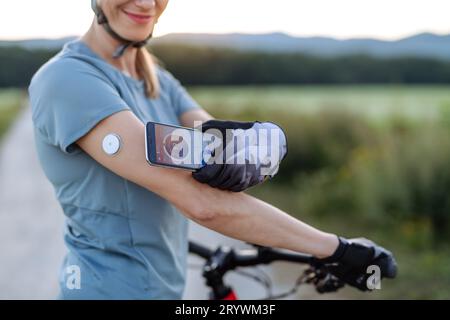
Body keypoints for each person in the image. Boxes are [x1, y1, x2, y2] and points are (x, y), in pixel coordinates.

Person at [29, 0, 396, 299]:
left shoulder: (155, 78)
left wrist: (244, 152)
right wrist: (335, 248)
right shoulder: (68, 80)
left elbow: (215, 143)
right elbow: (201, 202)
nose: (145, 3)